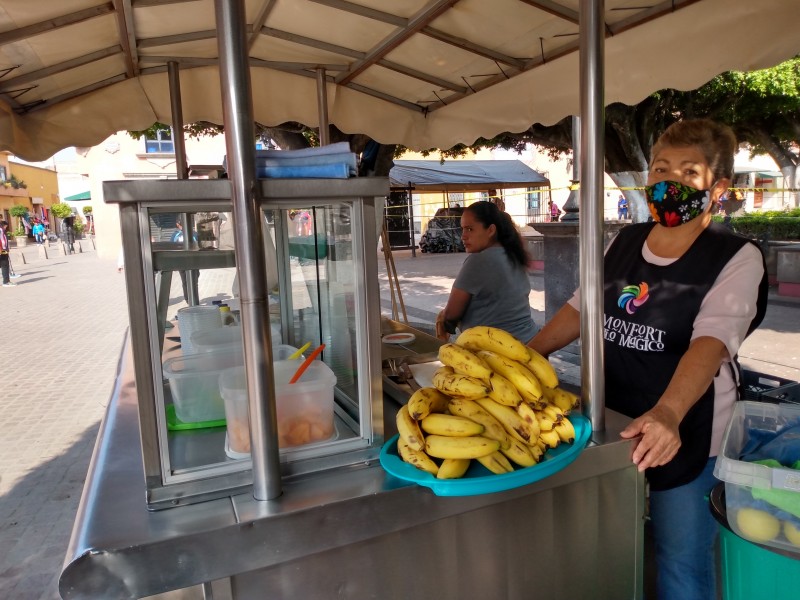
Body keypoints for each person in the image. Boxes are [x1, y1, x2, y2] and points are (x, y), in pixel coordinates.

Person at [528, 119, 768, 600]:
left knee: (680, 561)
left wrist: (668, 412)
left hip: (687, 429)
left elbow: (711, 343)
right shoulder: (624, 242)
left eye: (688, 172)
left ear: (718, 188)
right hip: (614, 420)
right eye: (661, 169)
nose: (669, 183)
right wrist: (524, 357)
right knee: (613, 545)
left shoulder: (736, 257)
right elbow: (582, 308)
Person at [436, 201, 536, 344]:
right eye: (462, 229)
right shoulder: (514, 254)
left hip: (497, 350)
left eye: (470, 229)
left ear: (490, 230)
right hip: (530, 341)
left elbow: (451, 314)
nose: (463, 236)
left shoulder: (478, 261)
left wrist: (444, 320)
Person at [0, 220, 16, 287]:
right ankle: (6, 282)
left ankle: (6, 281)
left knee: (4, 265)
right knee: (5, 265)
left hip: (3, 249)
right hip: (1, 250)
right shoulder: (1, 230)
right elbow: (2, 240)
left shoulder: (2, 230)